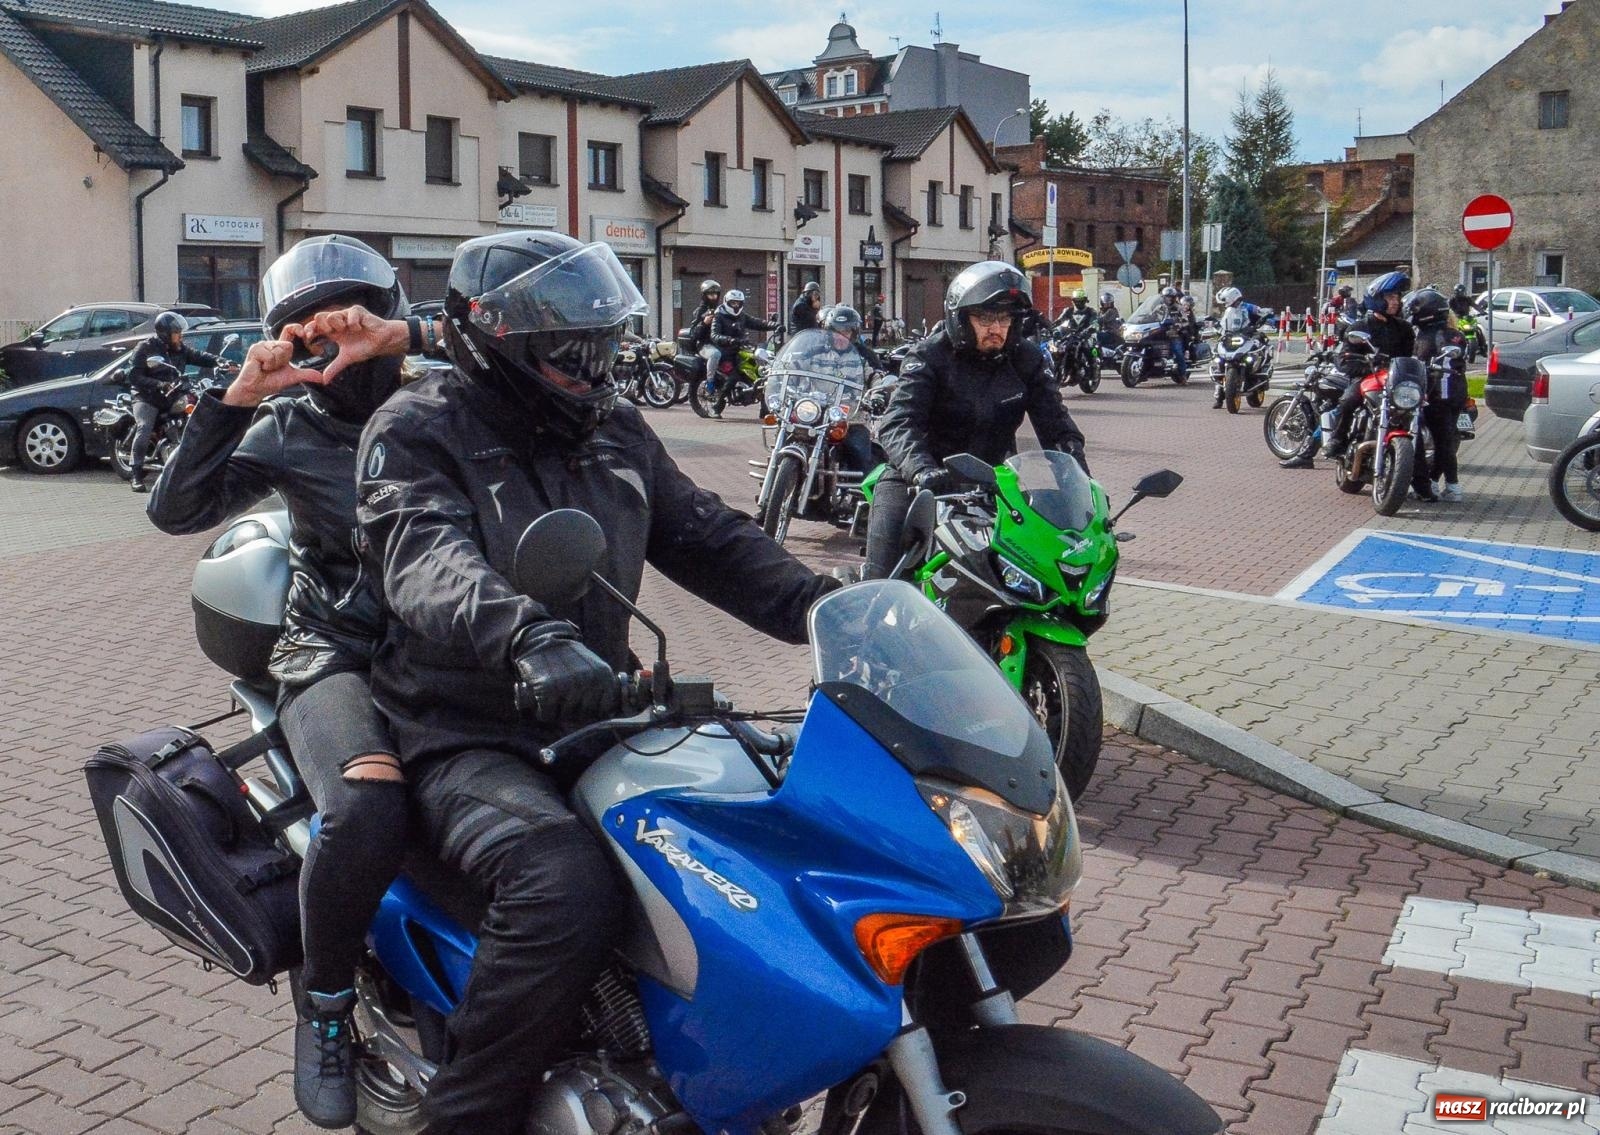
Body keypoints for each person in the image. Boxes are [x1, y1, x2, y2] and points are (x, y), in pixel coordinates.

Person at [321, 230, 837, 1135]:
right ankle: (469, 1115)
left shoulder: (613, 428)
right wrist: (525, 635)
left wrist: (833, 608)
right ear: (492, 342)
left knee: (749, 840)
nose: (591, 365)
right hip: (466, 726)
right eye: (567, 349)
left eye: (600, 343)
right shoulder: (415, 427)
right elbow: (427, 556)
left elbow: (709, 537)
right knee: (563, 883)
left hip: (602, 712)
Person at [145, 235, 414, 1129]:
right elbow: (176, 509)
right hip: (330, 652)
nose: (328, 343)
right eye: (305, 330)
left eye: (350, 318)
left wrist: (409, 341)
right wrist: (234, 398)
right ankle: (327, 1008)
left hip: (452, 649)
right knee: (368, 808)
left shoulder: (441, 404)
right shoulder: (288, 426)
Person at [863, 261, 1087, 581]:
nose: (996, 328)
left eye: (1004, 318)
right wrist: (922, 470)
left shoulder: (1026, 359)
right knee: (885, 581)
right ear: (960, 317)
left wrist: (1083, 486)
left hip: (992, 482)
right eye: (985, 318)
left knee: (1033, 573)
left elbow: (1057, 426)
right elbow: (899, 422)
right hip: (918, 480)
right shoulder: (929, 356)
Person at [124, 311, 228, 492]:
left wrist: (220, 361)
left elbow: (198, 356)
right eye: (176, 332)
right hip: (147, 396)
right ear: (165, 333)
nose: (180, 335)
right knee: (145, 426)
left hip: (172, 395)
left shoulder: (179, 348)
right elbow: (134, 376)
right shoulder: (145, 348)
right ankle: (136, 472)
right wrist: (158, 384)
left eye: (180, 332)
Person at [1321, 270, 1416, 466]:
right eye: (1390, 297)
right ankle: (1337, 439)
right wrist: (1368, 365)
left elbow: (1409, 357)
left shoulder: (1404, 328)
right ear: (1376, 299)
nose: (1396, 301)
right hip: (1368, 379)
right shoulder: (1361, 326)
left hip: (1395, 381)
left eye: (1397, 296)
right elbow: (1345, 359)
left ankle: (1422, 468)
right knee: (1348, 400)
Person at [1409, 287, 1468, 502]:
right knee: (1445, 441)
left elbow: (1421, 364)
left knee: (1437, 441)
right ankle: (1437, 482)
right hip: (1457, 394)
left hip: (1437, 396)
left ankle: (1449, 486)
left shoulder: (1428, 337)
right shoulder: (1457, 335)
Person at [708, 288, 777, 416]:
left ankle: (765, 409)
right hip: (725, 351)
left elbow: (757, 323)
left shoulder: (741, 316)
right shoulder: (719, 315)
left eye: (738, 303)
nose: (736, 306)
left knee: (761, 373)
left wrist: (774, 325)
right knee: (734, 375)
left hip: (741, 348)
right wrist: (728, 339)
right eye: (733, 303)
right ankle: (719, 403)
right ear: (727, 302)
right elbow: (714, 335)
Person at [1211, 286, 1267, 410]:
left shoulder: (1248, 307)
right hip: (1230, 336)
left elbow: (1262, 312)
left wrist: (1267, 316)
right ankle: (1219, 396)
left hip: (1246, 335)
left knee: (1258, 346)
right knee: (1218, 360)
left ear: (1232, 298)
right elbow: (1224, 323)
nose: (1224, 304)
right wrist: (1216, 325)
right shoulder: (1228, 311)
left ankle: (1257, 375)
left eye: (1225, 301)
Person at [689, 278, 723, 386]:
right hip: (704, 344)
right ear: (704, 295)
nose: (713, 297)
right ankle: (710, 381)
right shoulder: (700, 311)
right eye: (710, 294)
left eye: (715, 294)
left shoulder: (721, 309)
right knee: (715, 354)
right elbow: (693, 333)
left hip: (720, 342)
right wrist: (704, 323)